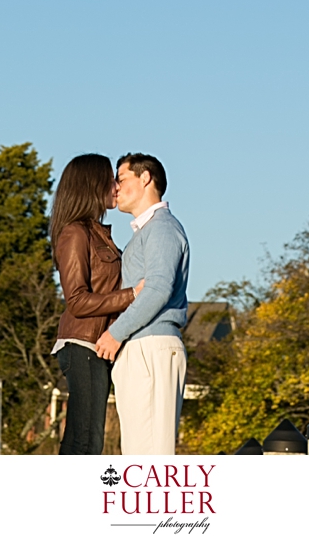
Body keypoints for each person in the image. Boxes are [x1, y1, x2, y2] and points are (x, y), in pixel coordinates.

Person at [95, 153, 190, 455]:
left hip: (150, 346)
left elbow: (158, 288)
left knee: (149, 459)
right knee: (139, 454)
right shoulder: (149, 231)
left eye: (121, 180)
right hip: (142, 347)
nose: (115, 189)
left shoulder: (162, 228)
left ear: (145, 178)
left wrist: (115, 334)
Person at [49, 153, 144, 454]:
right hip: (82, 345)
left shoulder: (98, 234)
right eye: (110, 179)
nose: (116, 186)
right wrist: (133, 294)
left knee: (82, 439)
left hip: (95, 347)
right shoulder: (75, 233)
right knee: (86, 441)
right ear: (92, 184)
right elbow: (76, 301)